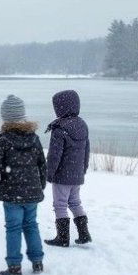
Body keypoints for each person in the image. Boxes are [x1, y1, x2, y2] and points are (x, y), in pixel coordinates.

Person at [0, 94, 46, 275]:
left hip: (12, 195)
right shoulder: (33, 138)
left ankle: (14, 265)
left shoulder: (3, 140)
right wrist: (40, 185)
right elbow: (42, 164)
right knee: (31, 225)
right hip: (31, 192)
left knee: (13, 228)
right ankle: (37, 261)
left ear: (5, 117)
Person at [43, 90, 92, 247]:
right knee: (75, 202)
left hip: (62, 175)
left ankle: (62, 238)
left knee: (60, 204)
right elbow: (86, 151)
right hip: (76, 175)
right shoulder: (82, 125)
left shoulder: (59, 128)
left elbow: (54, 156)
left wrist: (48, 174)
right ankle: (84, 234)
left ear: (60, 108)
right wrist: (83, 169)